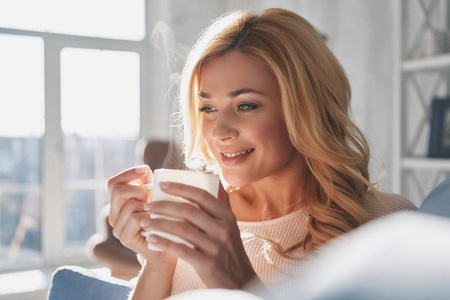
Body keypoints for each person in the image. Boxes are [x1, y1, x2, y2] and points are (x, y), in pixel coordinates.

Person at [107, 8, 417, 299]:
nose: (219, 131)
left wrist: (241, 285)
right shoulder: (198, 219)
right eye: (208, 108)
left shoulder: (386, 224)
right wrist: (158, 263)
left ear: (306, 109)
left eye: (245, 105)